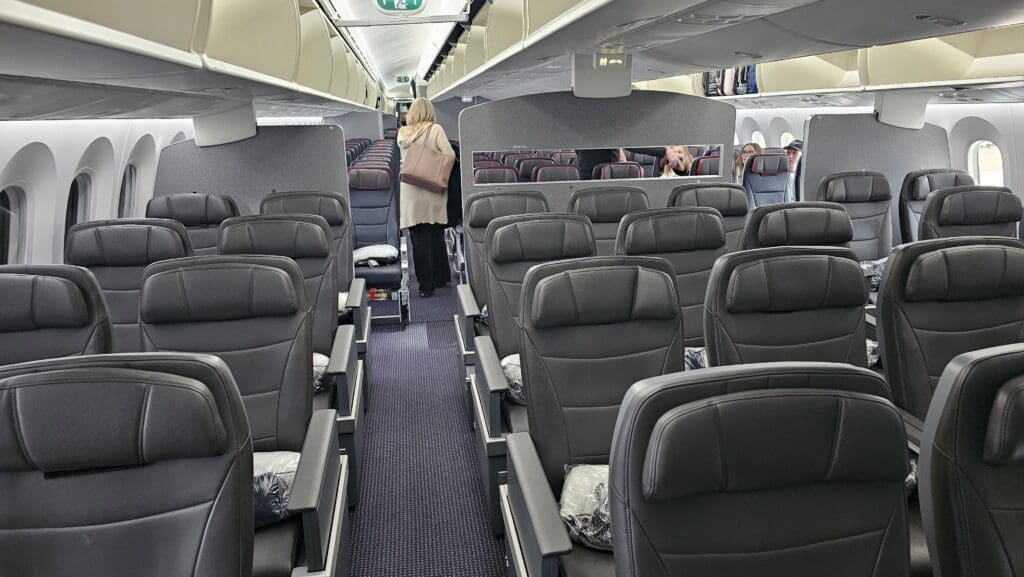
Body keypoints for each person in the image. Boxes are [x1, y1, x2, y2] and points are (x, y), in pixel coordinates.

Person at [398, 98, 455, 297]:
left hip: (410, 191)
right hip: (431, 189)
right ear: (429, 112)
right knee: (436, 235)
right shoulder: (435, 129)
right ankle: (440, 278)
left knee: (419, 240)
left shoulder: (402, 133)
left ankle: (425, 287)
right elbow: (449, 155)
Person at [574, 146, 681, 180]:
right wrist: (664, 150)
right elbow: (633, 141)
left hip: (586, 176)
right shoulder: (603, 120)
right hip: (607, 177)